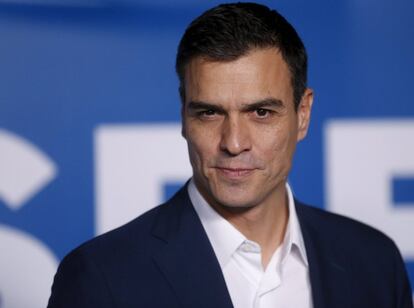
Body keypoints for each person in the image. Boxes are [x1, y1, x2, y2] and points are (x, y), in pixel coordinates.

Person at [47, 2, 413, 308]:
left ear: (303, 115)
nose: (234, 143)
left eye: (261, 112)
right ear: (183, 117)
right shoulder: (101, 278)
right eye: (209, 112)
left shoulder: (374, 262)